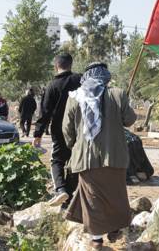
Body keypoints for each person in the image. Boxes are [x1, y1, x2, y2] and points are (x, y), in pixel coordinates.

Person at [63, 62, 136, 249]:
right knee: (116, 195)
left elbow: (67, 130)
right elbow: (130, 120)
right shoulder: (118, 94)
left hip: (87, 160)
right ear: (106, 76)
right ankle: (114, 230)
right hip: (114, 157)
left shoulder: (75, 97)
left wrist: (74, 146)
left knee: (92, 200)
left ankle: (96, 240)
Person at [33, 54, 82, 204]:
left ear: (56, 66)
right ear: (71, 64)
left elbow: (45, 112)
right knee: (76, 161)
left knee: (57, 161)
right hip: (80, 128)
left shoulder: (52, 86)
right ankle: (69, 196)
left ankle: (60, 190)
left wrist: (38, 133)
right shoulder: (81, 80)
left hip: (60, 130)